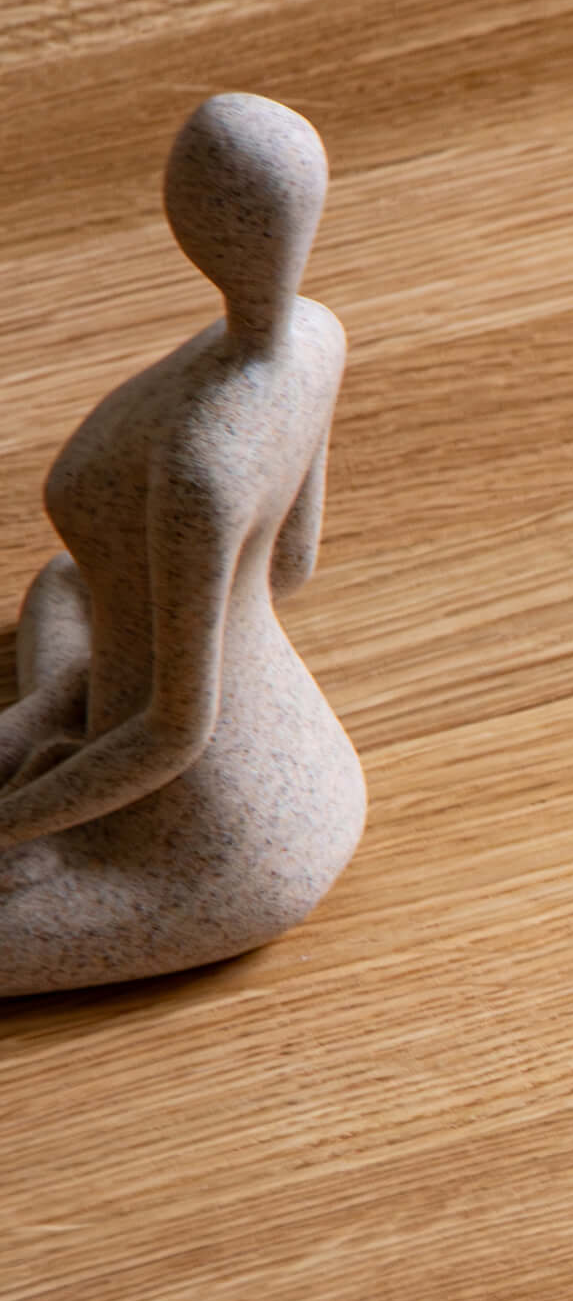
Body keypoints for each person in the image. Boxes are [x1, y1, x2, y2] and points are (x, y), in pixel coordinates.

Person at [0, 94, 364, 994]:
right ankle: (61, 718)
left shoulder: (205, 460)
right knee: (64, 590)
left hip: (202, 830)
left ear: (187, 216)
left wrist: (17, 820)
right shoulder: (316, 338)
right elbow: (290, 564)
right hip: (290, 735)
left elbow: (173, 733)